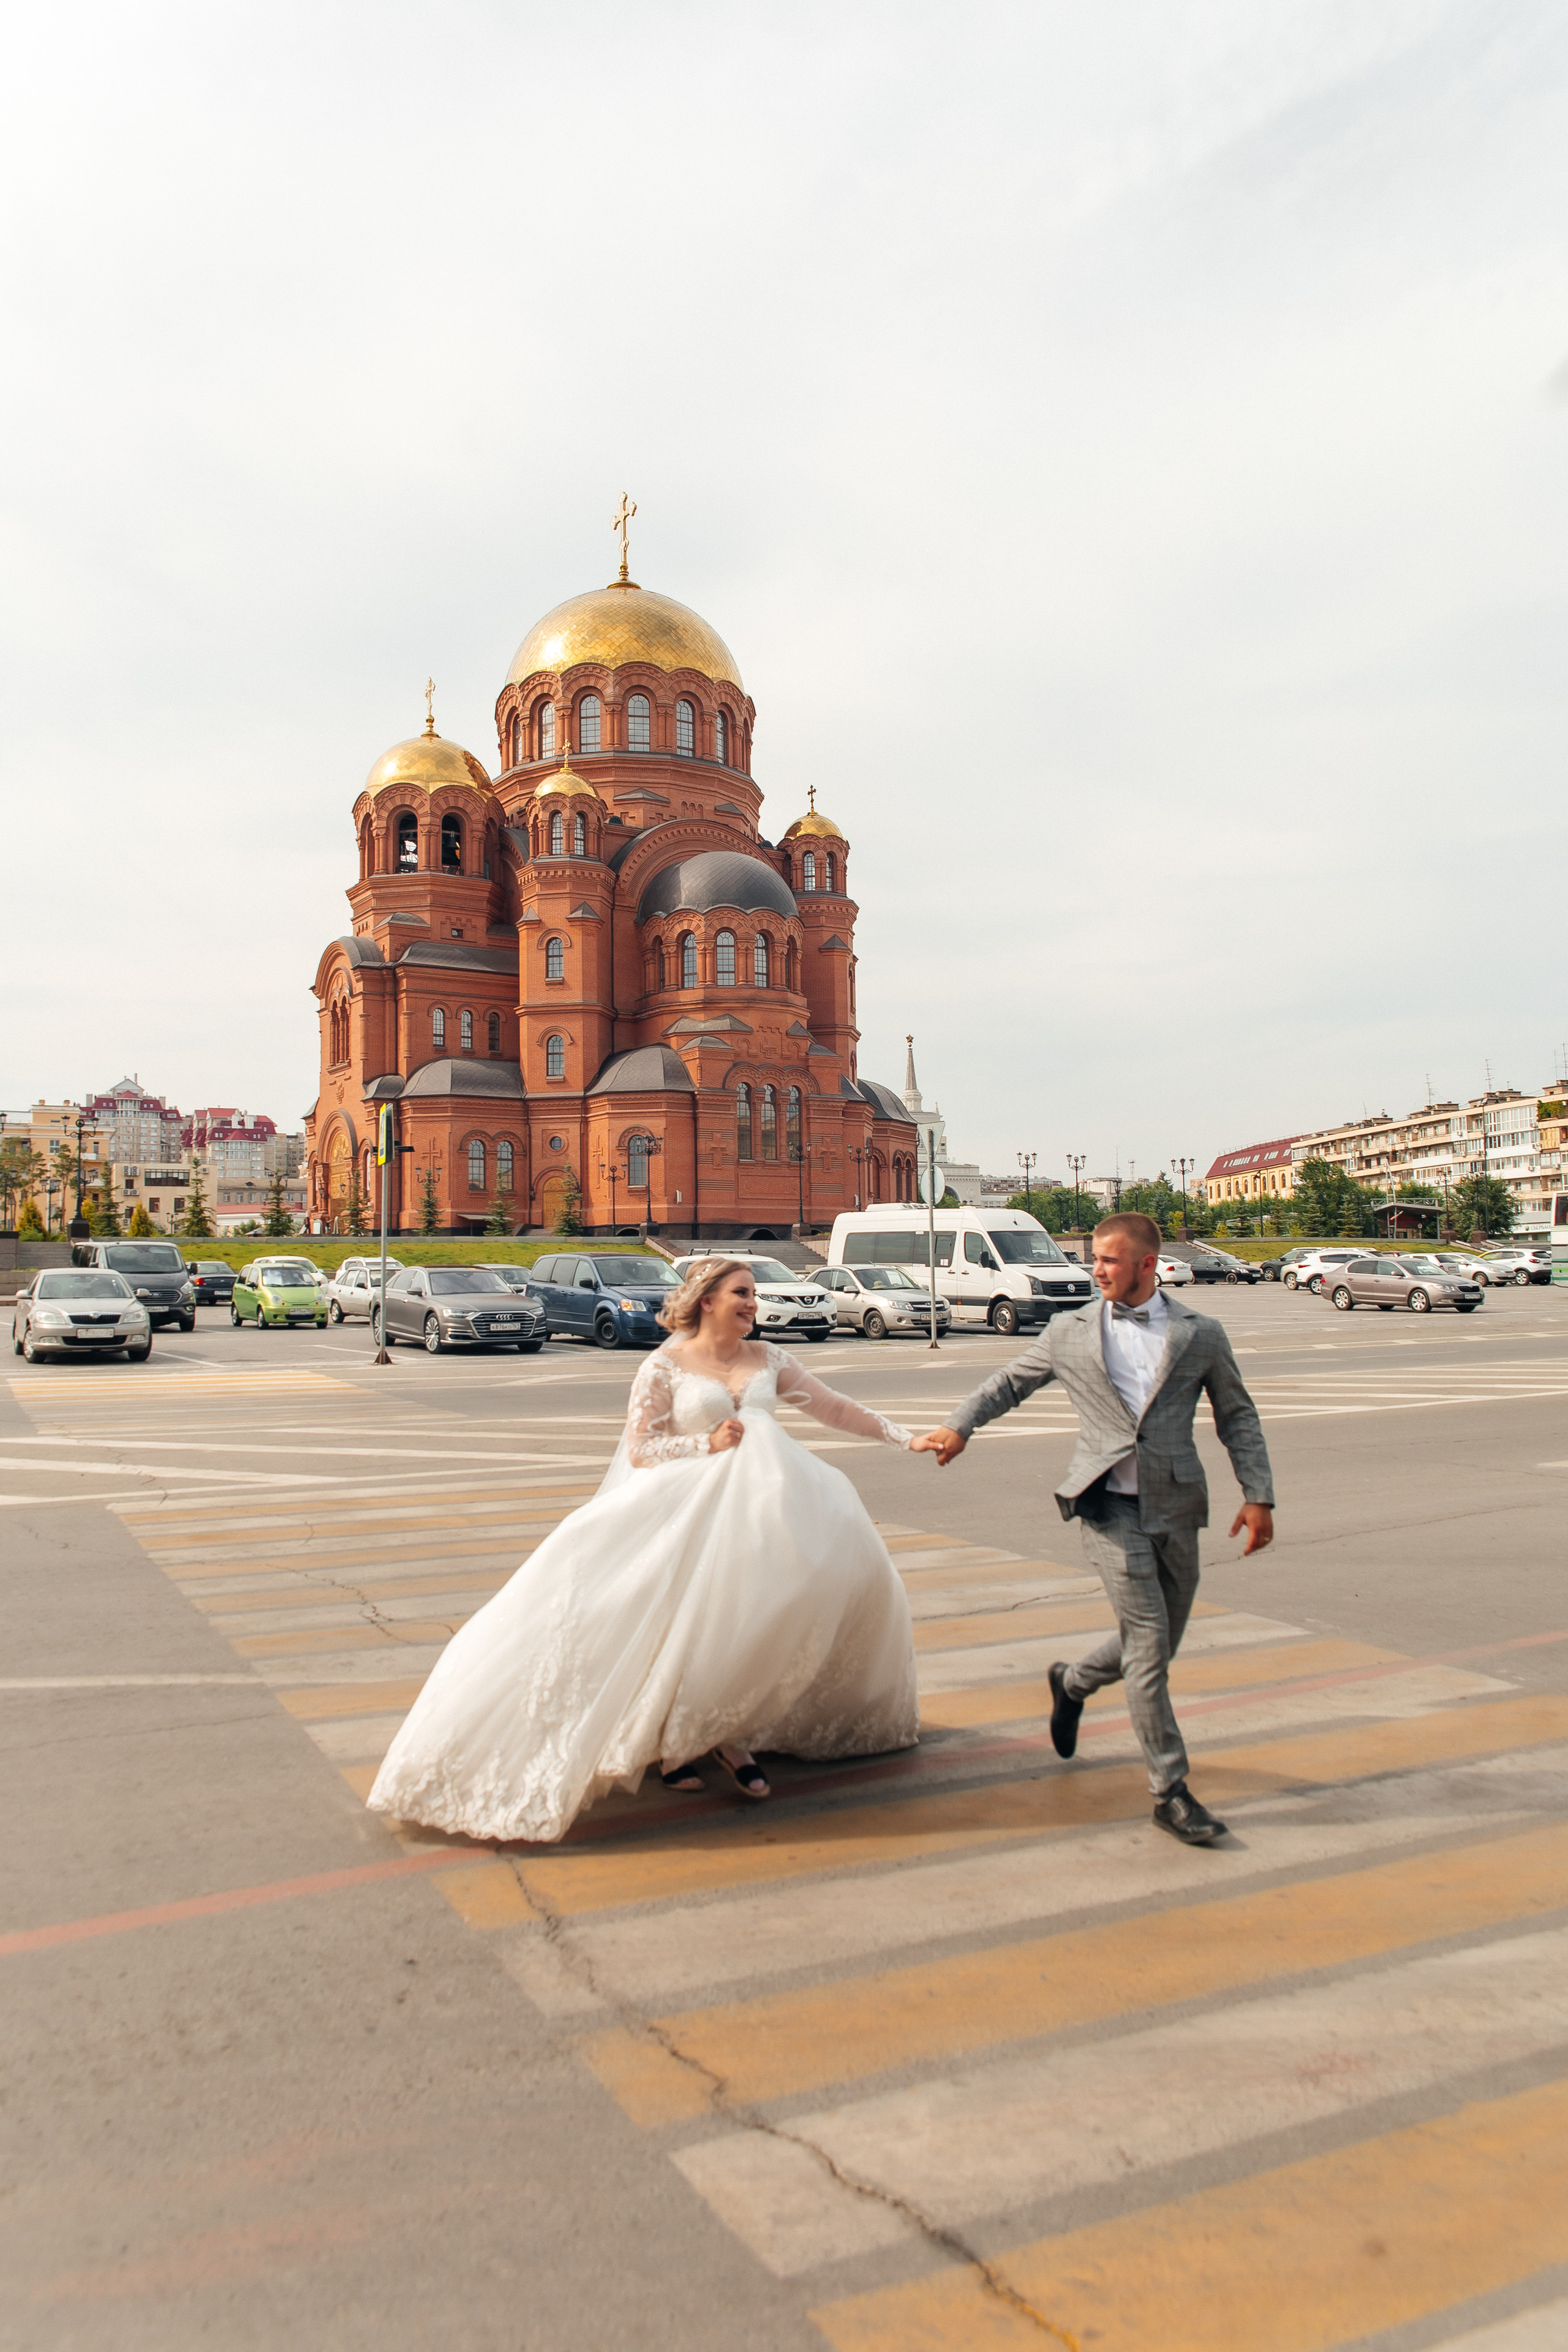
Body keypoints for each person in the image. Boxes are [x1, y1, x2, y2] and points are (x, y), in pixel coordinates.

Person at [367, 1258, 919, 1844]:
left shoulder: (768, 1358)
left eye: (754, 1293)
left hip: (770, 1505)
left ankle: (715, 1729)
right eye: (742, 1292)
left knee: (767, 1608)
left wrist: (905, 1437)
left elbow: (834, 1407)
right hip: (688, 1505)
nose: (753, 1303)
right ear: (707, 1300)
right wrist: (705, 1443)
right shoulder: (664, 1365)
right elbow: (641, 1450)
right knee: (685, 1620)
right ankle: (693, 1740)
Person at [914, 1212, 1273, 1845]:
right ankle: (1170, 1792)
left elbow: (1237, 1415)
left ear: (1146, 1265)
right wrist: (959, 1425)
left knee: (1159, 1644)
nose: (1096, 1270)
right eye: (1095, 1259)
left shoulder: (1200, 1334)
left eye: (1109, 1260)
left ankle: (1072, 1682)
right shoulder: (1069, 1331)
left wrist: (1258, 1495)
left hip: (1176, 1506)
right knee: (1147, 1647)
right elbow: (1009, 1383)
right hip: (1107, 1507)